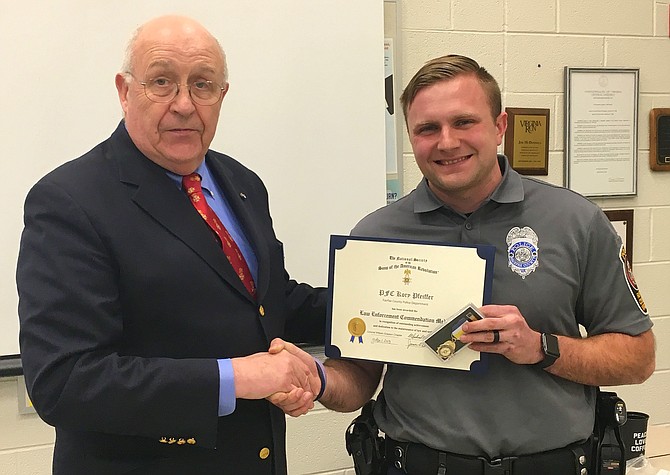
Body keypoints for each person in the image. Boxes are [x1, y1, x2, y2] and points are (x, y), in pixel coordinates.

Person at [272, 55, 656, 474]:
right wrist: (319, 380)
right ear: (411, 137)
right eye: (427, 129)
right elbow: (359, 378)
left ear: (499, 127)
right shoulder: (374, 236)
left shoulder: (575, 222)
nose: (447, 142)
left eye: (464, 122)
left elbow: (638, 359)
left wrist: (540, 347)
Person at [16, 15, 325, 475]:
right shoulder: (69, 201)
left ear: (222, 96)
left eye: (203, 85)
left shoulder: (241, 183)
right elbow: (65, 382)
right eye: (162, 82)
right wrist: (237, 377)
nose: (184, 104)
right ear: (124, 91)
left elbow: (269, 301)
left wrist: (402, 311)